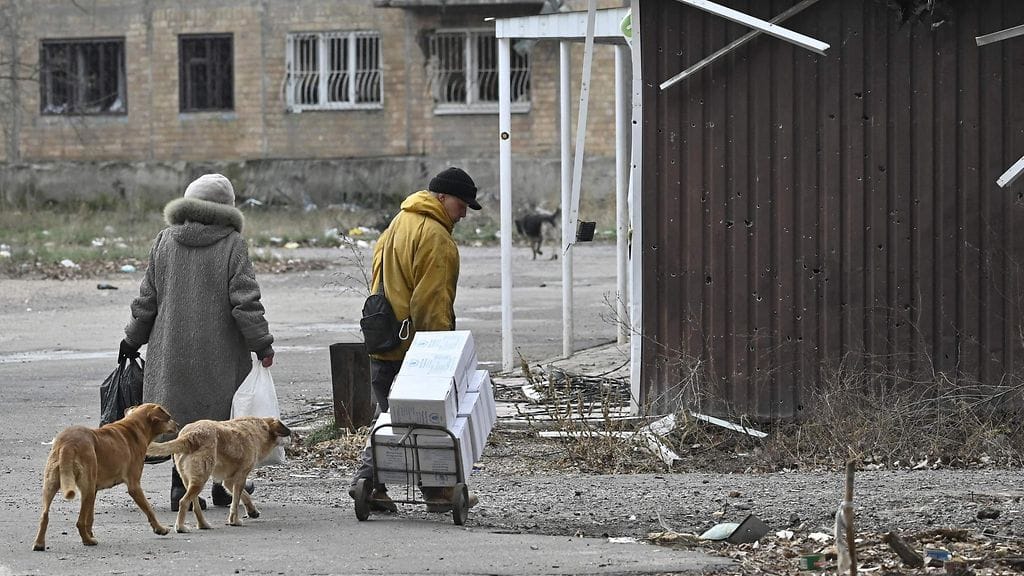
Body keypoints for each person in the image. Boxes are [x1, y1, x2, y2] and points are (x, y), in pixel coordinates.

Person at [120, 173, 275, 511]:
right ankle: (223, 487)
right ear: (226, 208)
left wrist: (132, 338)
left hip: (169, 354)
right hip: (221, 355)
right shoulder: (233, 243)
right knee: (221, 420)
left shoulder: (164, 240)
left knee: (179, 419)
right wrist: (262, 343)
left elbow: (147, 298)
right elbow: (245, 301)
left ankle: (180, 490)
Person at [348, 166, 481, 513]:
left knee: (393, 419)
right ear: (441, 198)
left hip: (383, 340)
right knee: (425, 421)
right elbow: (431, 300)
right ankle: (436, 491)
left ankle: (373, 485)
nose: (464, 212)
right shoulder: (436, 237)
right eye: (462, 204)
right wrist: (440, 355)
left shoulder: (397, 224)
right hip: (413, 348)